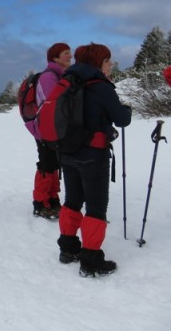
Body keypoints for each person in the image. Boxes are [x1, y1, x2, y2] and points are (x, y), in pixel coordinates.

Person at [56, 44, 131, 277]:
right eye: (108, 62)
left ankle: (68, 249)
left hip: (67, 153)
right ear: (99, 63)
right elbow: (121, 120)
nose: (110, 66)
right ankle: (91, 260)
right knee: (96, 207)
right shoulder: (101, 87)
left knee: (72, 200)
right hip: (93, 155)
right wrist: (125, 109)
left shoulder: (67, 81)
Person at [28, 43, 72, 219]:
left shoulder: (60, 74)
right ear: (55, 58)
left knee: (53, 163)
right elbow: (53, 104)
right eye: (66, 53)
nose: (70, 55)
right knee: (47, 163)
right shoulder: (49, 77)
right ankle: (40, 203)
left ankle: (52, 198)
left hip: (54, 129)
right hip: (45, 129)